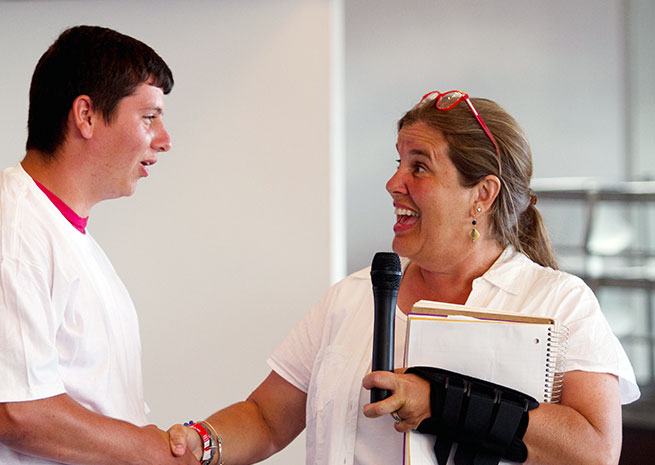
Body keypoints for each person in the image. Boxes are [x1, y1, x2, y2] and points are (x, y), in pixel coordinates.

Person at [169, 90, 640, 465]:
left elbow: (595, 450)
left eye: (419, 166)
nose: (395, 182)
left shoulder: (558, 303)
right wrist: (200, 443)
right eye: (398, 163)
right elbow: (267, 419)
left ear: (482, 194)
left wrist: (440, 401)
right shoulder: (350, 298)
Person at [0, 25, 198, 465]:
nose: (165, 140)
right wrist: (155, 450)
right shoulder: (13, 227)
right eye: (149, 117)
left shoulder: (69, 237)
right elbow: (18, 409)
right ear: (86, 115)